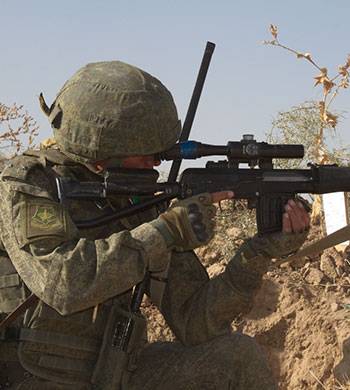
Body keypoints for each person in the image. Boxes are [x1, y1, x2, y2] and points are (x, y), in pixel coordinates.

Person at [0, 61, 309, 389]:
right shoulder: (30, 185)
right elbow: (63, 284)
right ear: (104, 150)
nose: (157, 162)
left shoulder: (140, 202)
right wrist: (164, 232)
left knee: (237, 357)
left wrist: (259, 252)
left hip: (113, 372)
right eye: (146, 153)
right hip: (31, 377)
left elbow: (195, 320)